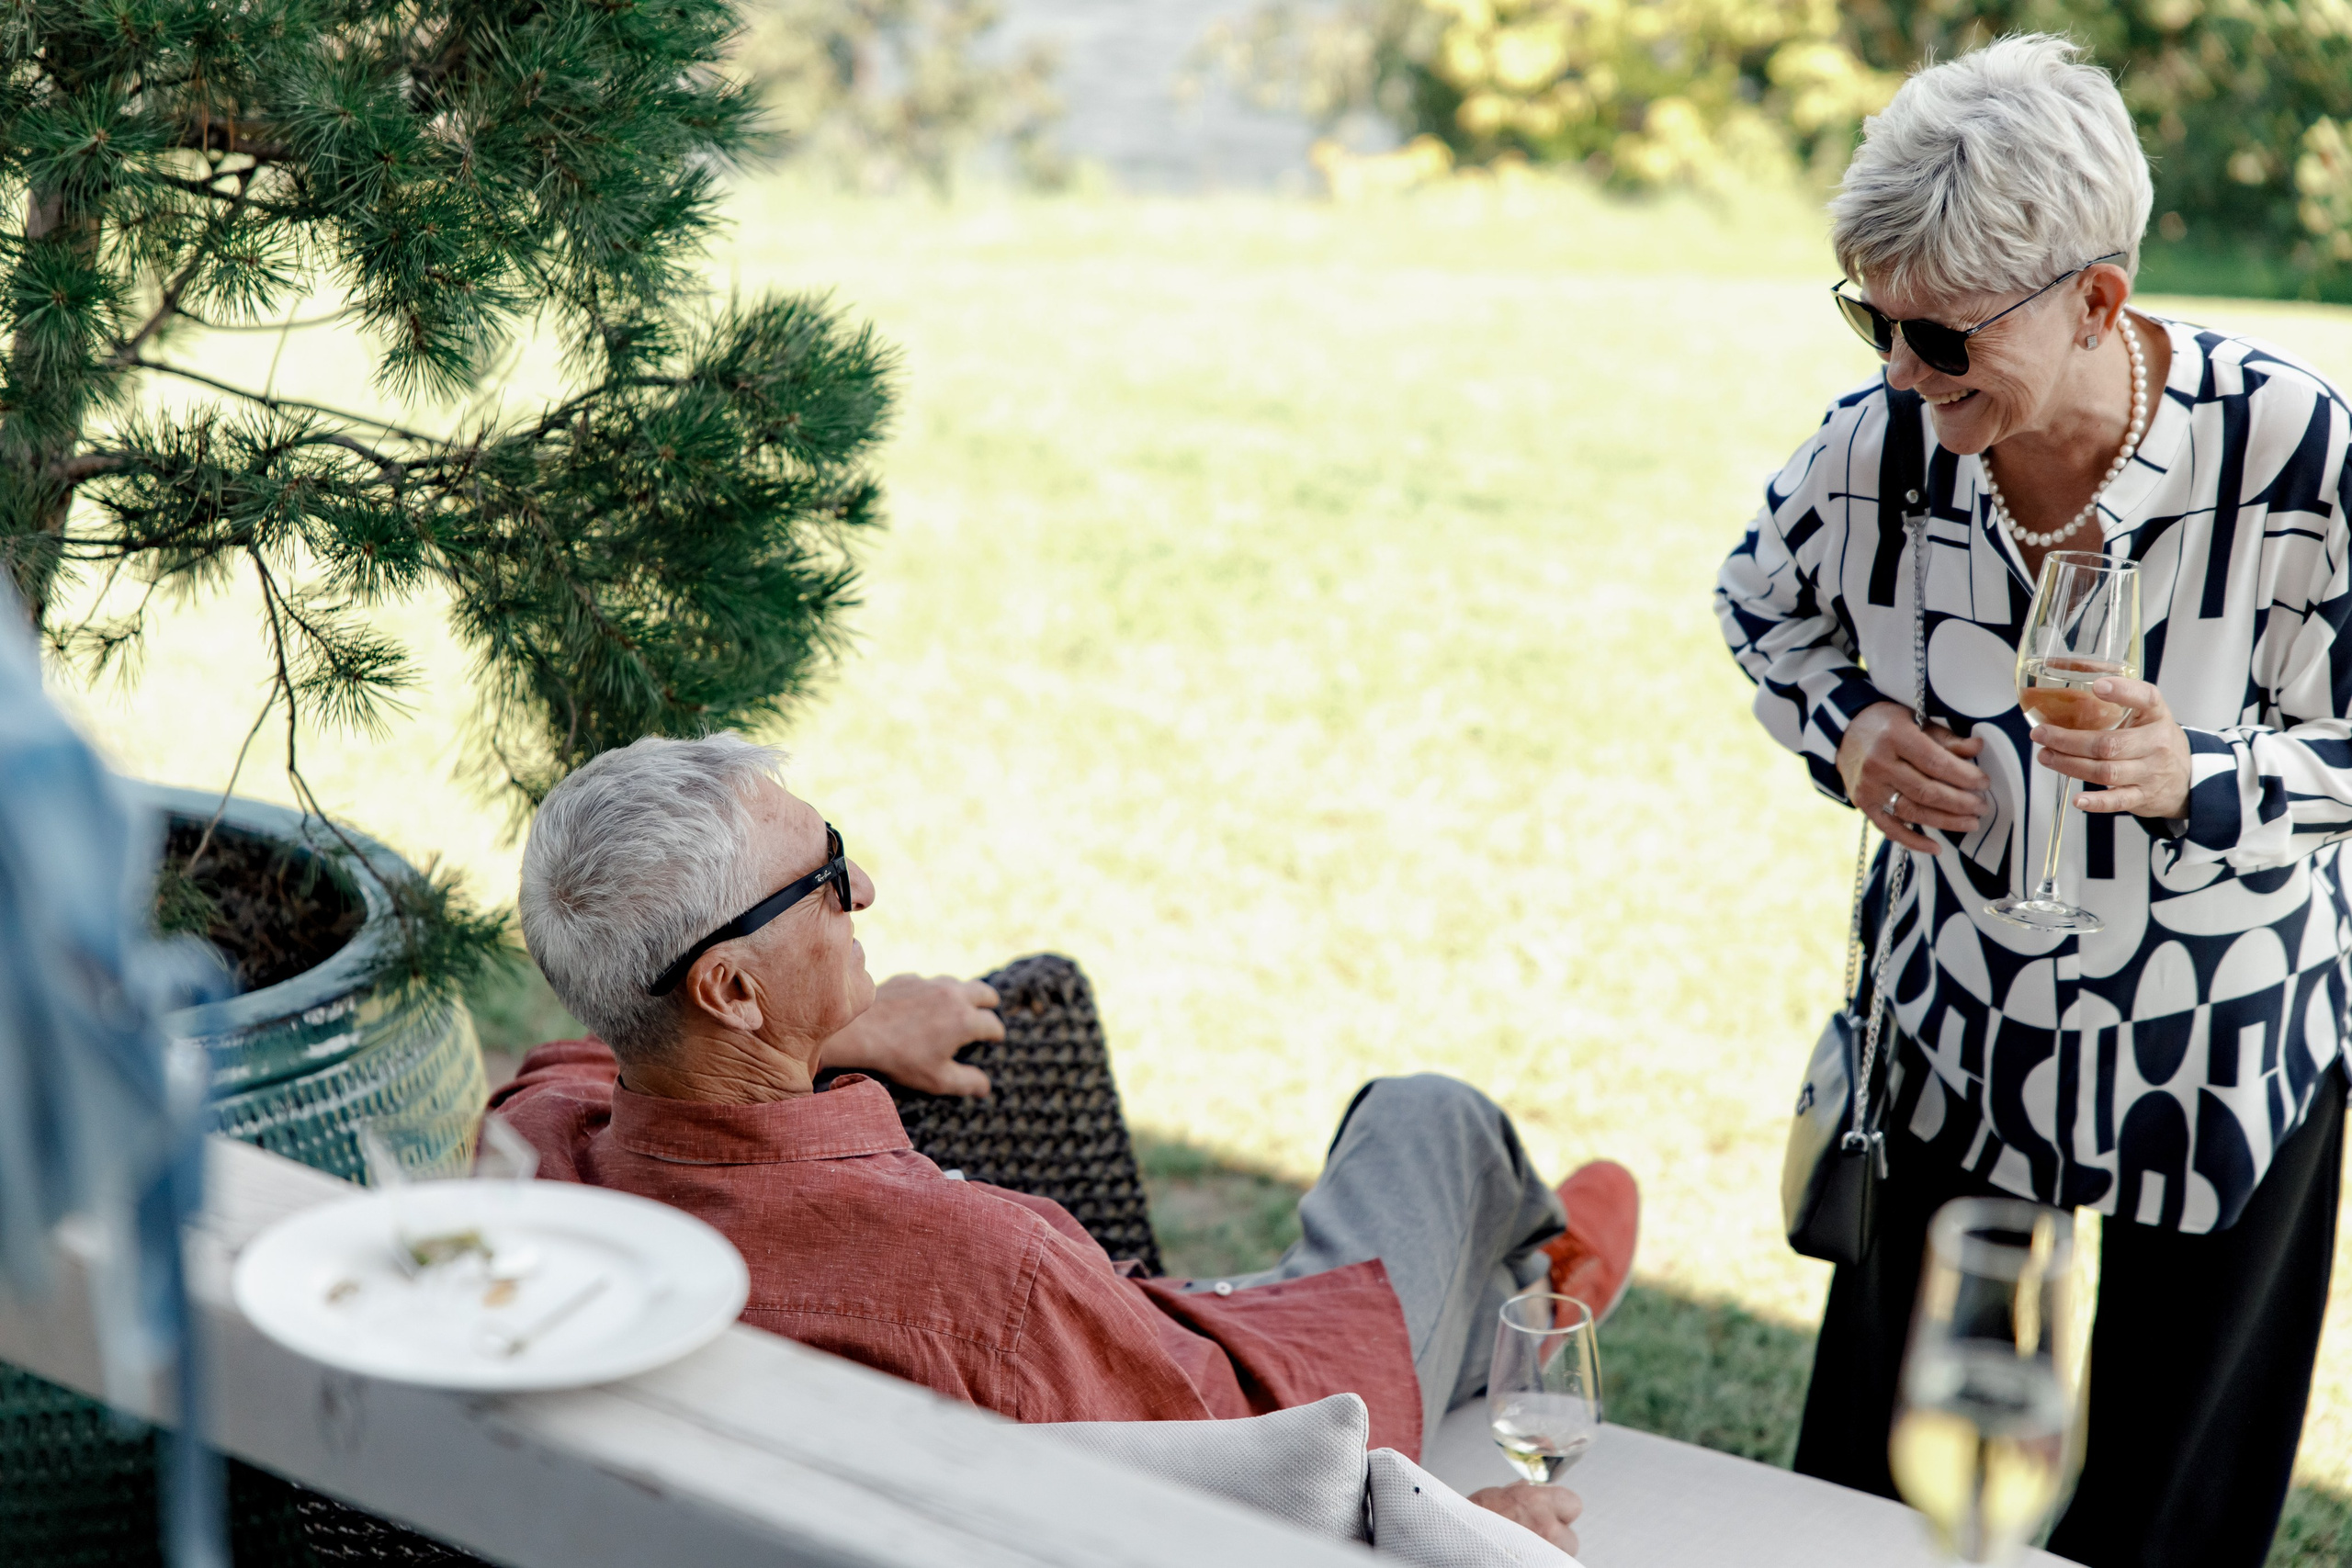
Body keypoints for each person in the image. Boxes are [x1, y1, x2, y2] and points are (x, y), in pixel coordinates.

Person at [1717, 34, 2352, 1568]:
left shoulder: (2297, 454)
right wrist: (1851, 730)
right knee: (1876, 1495)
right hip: (1959, 1018)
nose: (1898, 369)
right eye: (1873, 317)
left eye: (1940, 335)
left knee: (2166, 1513)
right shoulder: (1878, 448)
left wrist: (2202, 774)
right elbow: (1757, 606)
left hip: (2224, 1041)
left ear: (2098, 300)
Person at [490, 731, 1637, 1554]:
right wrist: (1471, 1535)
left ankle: (1514, 1288)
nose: (864, 887)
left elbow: (581, 1057)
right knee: (1428, 1120)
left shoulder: (533, 1161)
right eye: (826, 878)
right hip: (1279, 1398)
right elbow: (1243, 1502)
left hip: (1079, 1355)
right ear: (732, 989)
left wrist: (838, 1025)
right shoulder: (984, 1275)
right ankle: (1528, 1295)